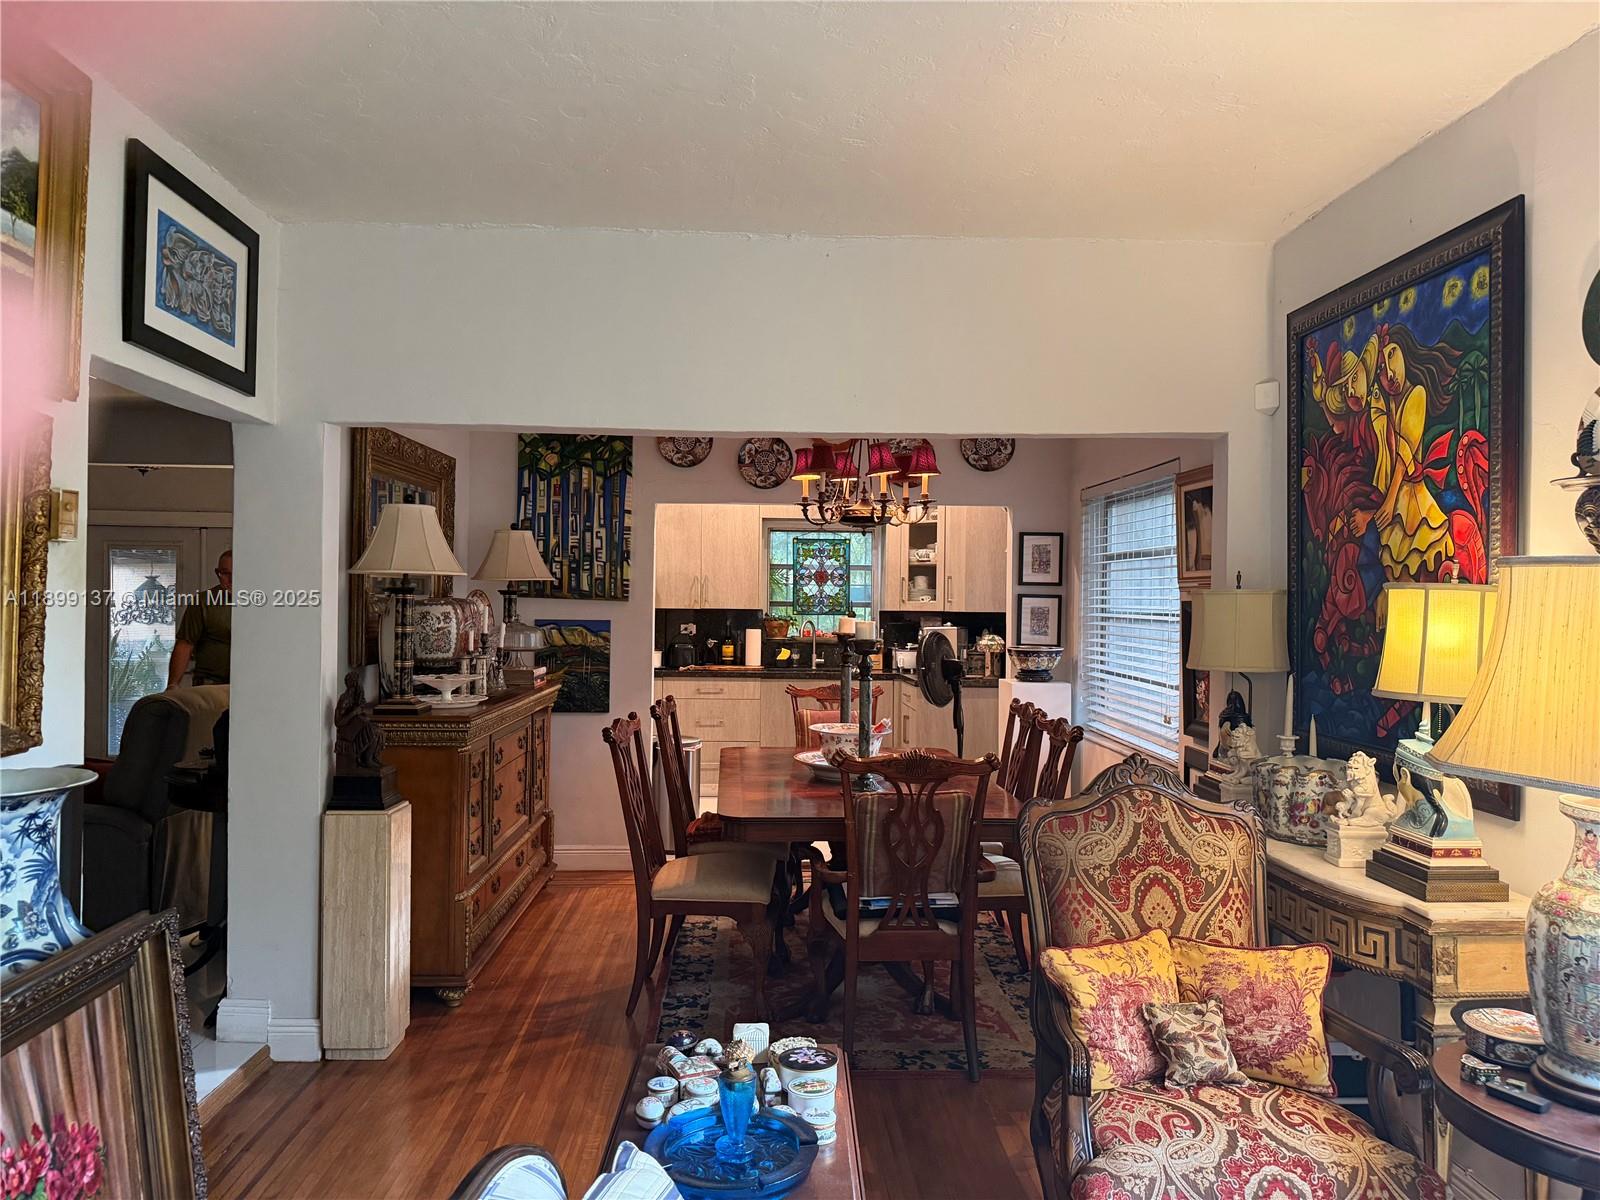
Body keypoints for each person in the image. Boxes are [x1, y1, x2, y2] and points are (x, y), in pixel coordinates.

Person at [168, 551, 233, 687]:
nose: (232, 579)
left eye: (238, 572)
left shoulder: (261, 601)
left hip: (253, 683)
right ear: (217, 573)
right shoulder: (203, 601)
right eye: (226, 573)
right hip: (210, 683)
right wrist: (172, 685)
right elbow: (185, 644)